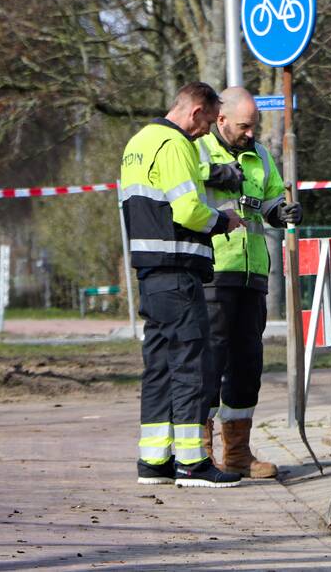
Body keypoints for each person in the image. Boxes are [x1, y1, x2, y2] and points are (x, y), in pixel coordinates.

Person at [121, 81, 245, 488]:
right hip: (177, 268)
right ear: (195, 113)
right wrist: (223, 221)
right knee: (192, 362)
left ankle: (153, 459)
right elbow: (188, 209)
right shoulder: (177, 145)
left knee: (158, 364)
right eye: (208, 123)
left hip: (151, 272)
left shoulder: (138, 142)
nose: (206, 132)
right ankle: (193, 461)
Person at [196, 86, 302, 479]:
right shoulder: (198, 150)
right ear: (220, 119)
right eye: (244, 126)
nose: (251, 134)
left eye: (254, 126)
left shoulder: (258, 155)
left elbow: (271, 198)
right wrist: (214, 174)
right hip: (213, 272)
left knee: (246, 366)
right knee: (209, 364)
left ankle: (237, 454)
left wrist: (282, 211)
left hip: (253, 273)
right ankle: (201, 454)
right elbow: (184, 192)